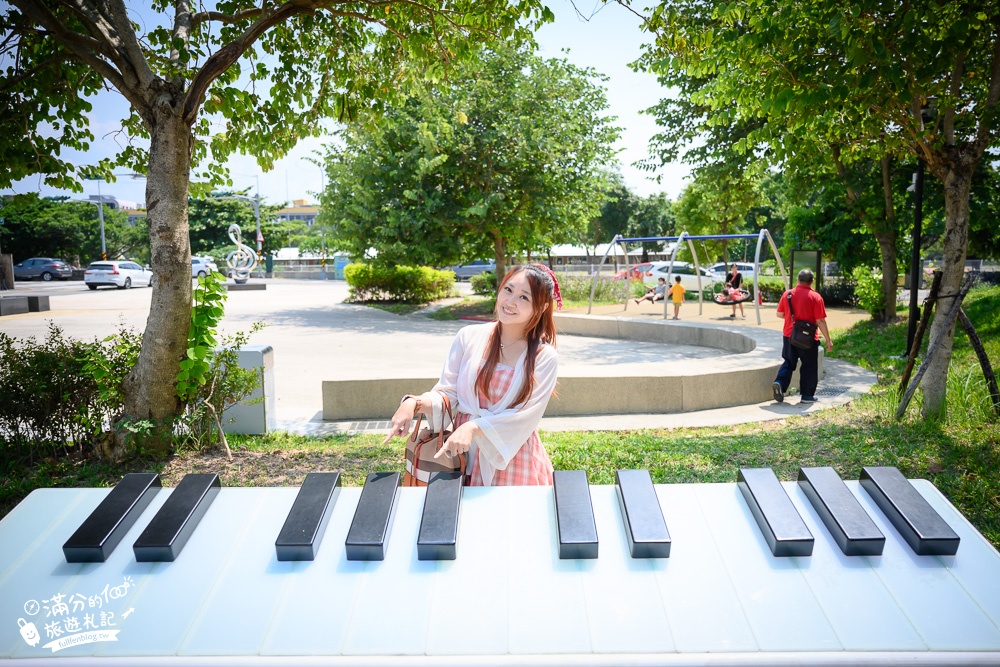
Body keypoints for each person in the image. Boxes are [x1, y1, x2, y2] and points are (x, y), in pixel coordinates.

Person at [383, 264, 560, 486]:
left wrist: (474, 427)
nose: (511, 302)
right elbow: (448, 392)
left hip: (511, 456)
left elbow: (525, 415)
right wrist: (414, 403)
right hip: (462, 453)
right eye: (508, 290)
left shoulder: (544, 356)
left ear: (541, 307)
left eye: (524, 297)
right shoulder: (469, 336)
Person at [772, 268, 834, 404]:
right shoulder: (816, 297)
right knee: (809, 365)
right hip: (808, 339)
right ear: (812, 281)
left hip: (789, 335)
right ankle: (806, 395)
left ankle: (780, 384)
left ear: (797, 280)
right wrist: (828, 340)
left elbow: (780, 314)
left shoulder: (787, 295)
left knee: (788, 362)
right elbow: (820, 320)